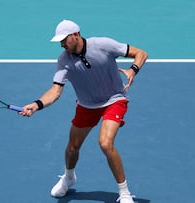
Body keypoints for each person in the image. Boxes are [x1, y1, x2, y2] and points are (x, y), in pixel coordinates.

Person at [19, 19, 148, 203]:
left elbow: (141, 53)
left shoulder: (103, 45)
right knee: (73, 147)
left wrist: (133, 70)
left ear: (76, 35)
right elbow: (55, 92)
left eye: (64, 40)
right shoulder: (64, 60)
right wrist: (36, 104)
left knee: (105, 143)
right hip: (87, 105)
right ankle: (69, 177)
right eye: (60, 42)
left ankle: (125, 193)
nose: (62, 44)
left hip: (114, 100)